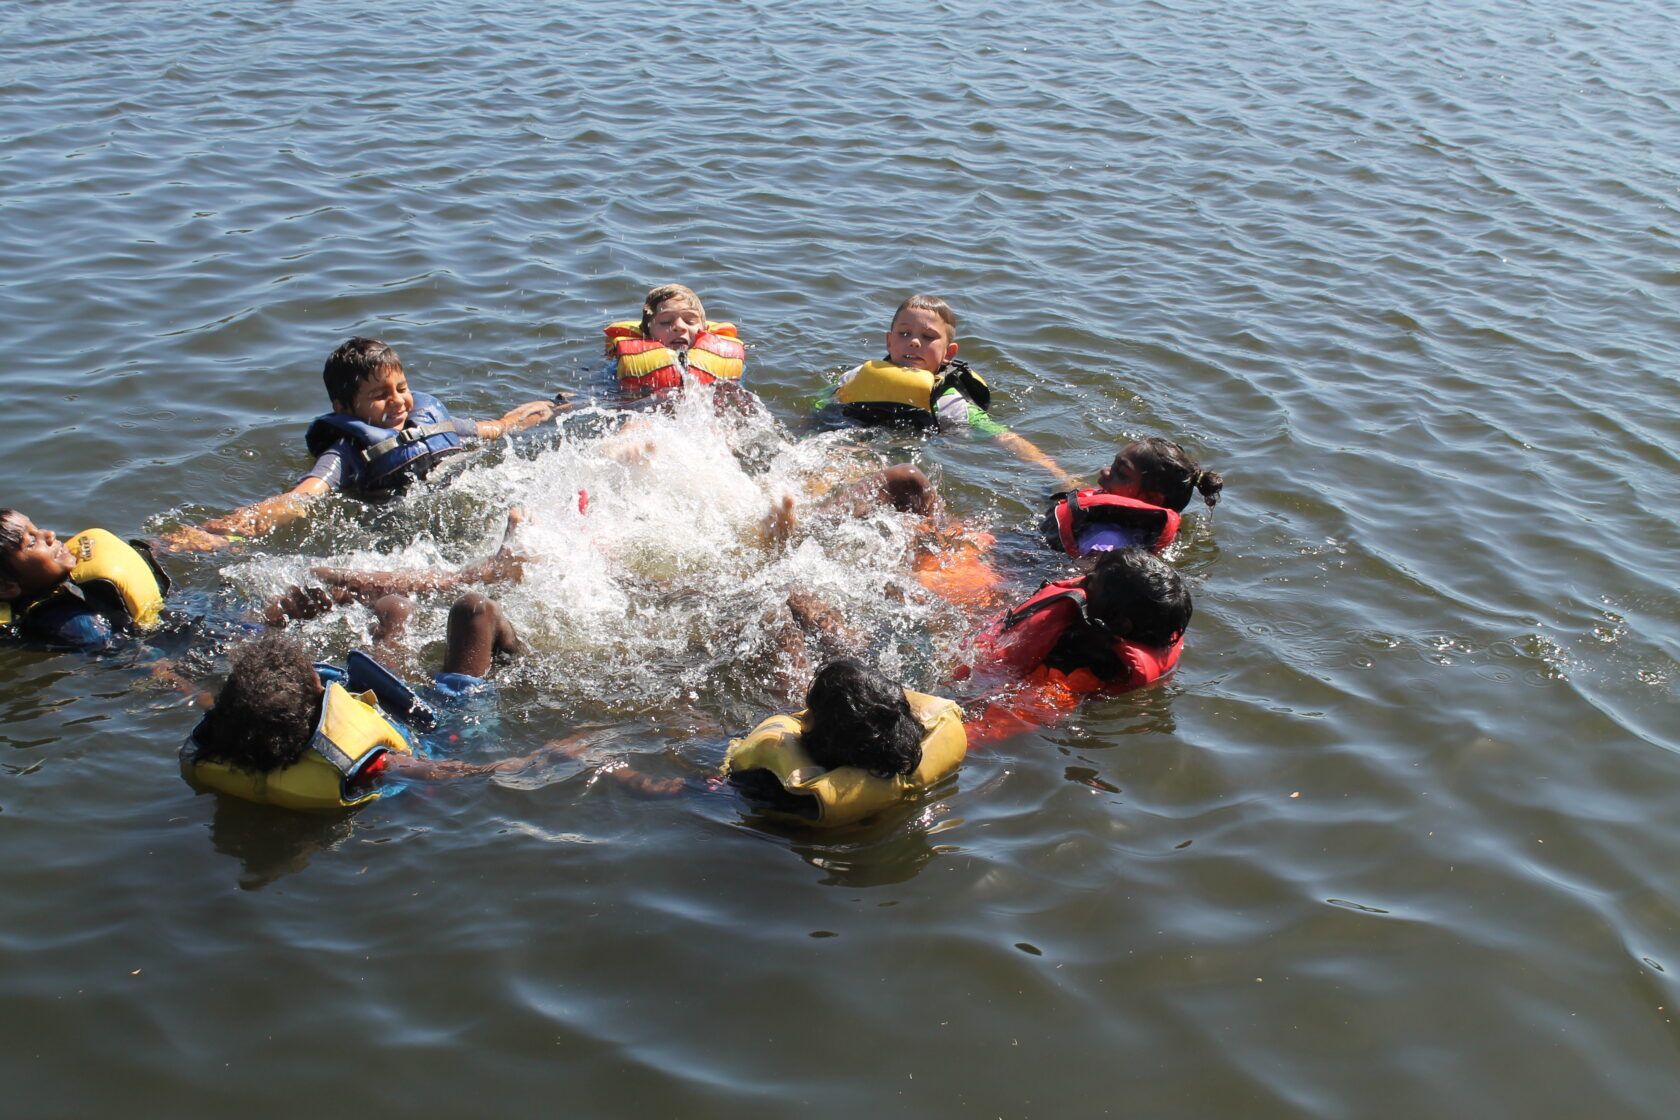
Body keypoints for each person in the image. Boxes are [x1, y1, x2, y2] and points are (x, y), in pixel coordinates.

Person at [165, 337, 555, 550]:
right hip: (391, 528)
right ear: (343, 407)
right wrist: (228, 530)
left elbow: (500, 427)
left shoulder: (435, 422)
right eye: (380, 395)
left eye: (402, 388)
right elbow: (302, 499)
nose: (399, 401)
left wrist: (555, 406)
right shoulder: (346, 452)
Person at [180, 591, 532, 810]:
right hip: (439, 725)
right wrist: (550, 756)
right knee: (475, 609)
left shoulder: (240, 726)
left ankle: (378, 607)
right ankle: (519, 655)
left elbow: (204, 699)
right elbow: (452, 772)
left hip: (377, 712)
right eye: (318, 681)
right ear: (318, 697)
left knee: (394, 609)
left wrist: (165, 673)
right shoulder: (366, 765)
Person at [813, 295, 1077, 487]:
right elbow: (820, 407)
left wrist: (1057, 473)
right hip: (851, 436)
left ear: (949, 353)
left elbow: (1003, 437)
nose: (915, 341)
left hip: (908, 451)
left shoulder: (948, 401)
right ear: (888, 341)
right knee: (839, 460)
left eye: (928, 337)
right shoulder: (857, 376)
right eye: (904, 333)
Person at [958, 547, 1191, 746]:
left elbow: (992, 727)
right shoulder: (1153, 629)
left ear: (1120, 624)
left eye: (1091, 582)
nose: (1083, 580)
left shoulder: (1078, 673)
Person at [724, 658, 968, 828]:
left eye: (810, 710)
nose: (803, 716)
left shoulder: (794, 796)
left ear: (826, 739)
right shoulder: (903, 755)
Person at [0, 509, 170, 650]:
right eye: (31, 542)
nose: (49, 534)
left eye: (36, 528)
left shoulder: (60, 575)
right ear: (7, 587)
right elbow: (138, 657)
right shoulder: (73, 624)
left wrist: (165, 544)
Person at [1042, 437, 1225, 557]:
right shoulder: (1148, 535)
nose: (1105, 472)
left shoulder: (1109, 541)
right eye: (1113, 465)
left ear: (1152, 499)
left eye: (1121, 473)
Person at [599, 284, 747, 403]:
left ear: (704, 329)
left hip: (705, 416)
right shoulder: (623, 362)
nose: (679, 326)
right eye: (665, 322)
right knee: (634, 425)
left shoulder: (726, 361)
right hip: (646, 410)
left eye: (689, 321)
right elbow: (602, 389)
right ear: (647, 333)